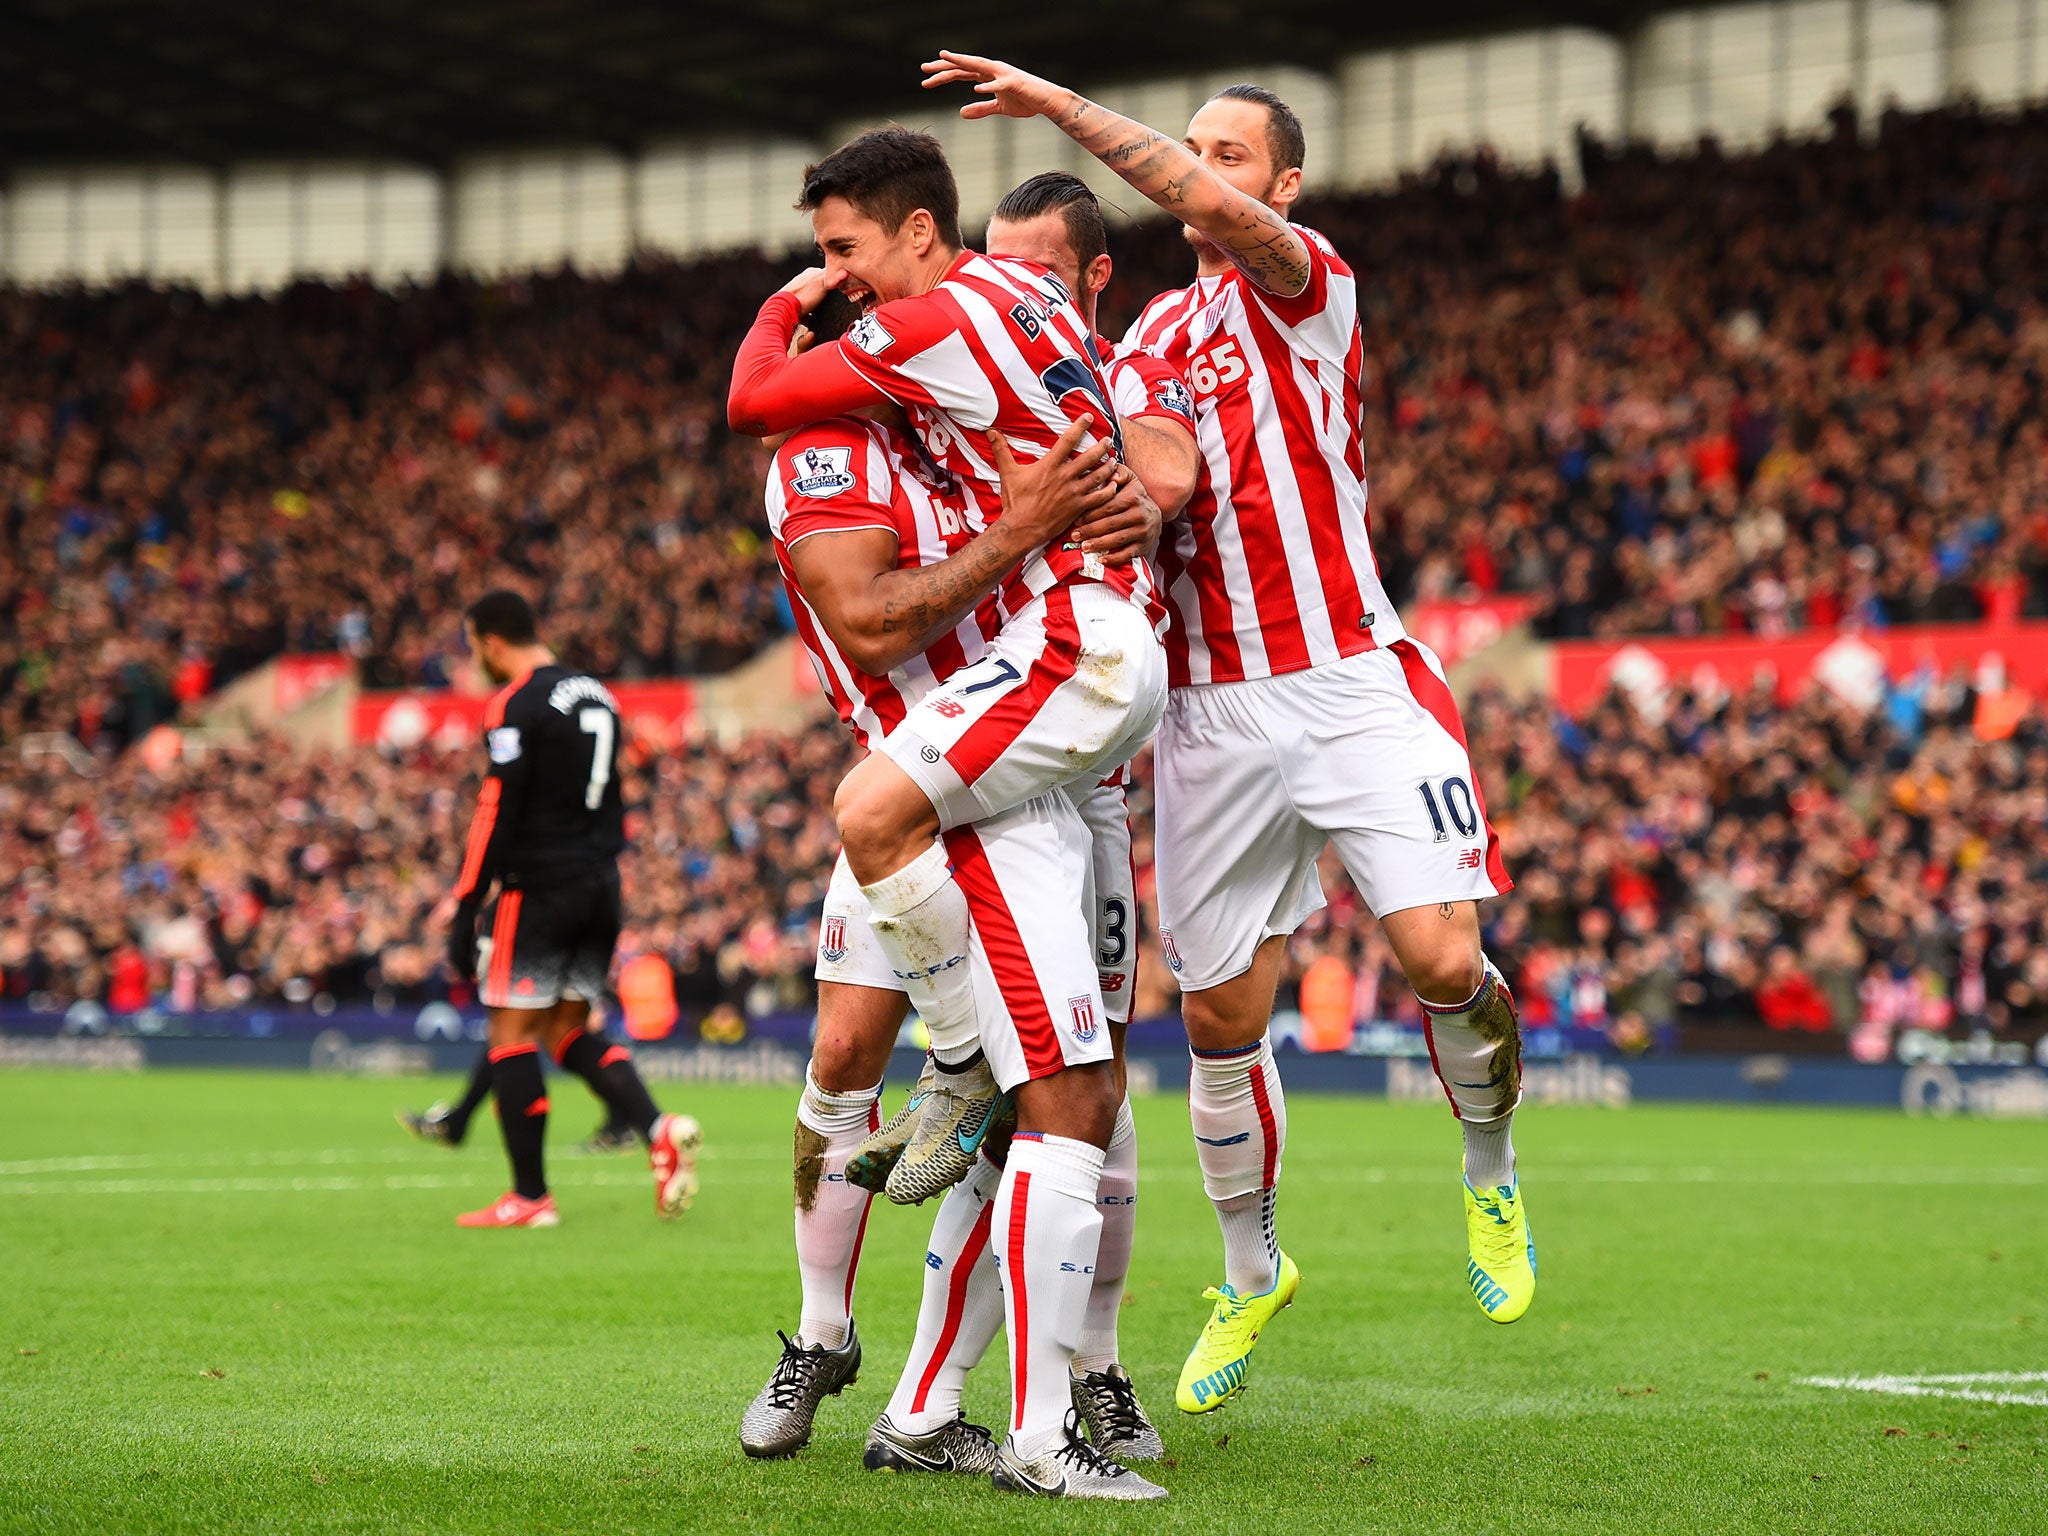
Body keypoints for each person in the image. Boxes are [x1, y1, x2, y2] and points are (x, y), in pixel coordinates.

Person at [923, 54, 1536, 1411]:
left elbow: (1188, 191)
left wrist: (1065, 109)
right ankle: (1254, 1271)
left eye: (1231, 155)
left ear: (1285, 183)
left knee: (1441, 955)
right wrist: (1119, 509)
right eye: (1197, 151)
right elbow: (1165, 464)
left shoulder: (1310, 284)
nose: (1205, 172)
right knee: (1216, 1015)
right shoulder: (1146, 338)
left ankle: (1491, 1176)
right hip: (1209, 708)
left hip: (1351, 674)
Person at [735, 270, 1180, 1499]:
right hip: (932, 781)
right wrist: (1027, 527)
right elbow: (873, 622)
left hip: (999, 776)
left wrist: (1123, 508)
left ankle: (946, 1405)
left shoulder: (953, 433)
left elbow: (1147, 466)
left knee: (1059, 1097)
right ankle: (826, 1334)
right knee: (850, 1059)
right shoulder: (831, 454)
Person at [435, 590, 701, 1229]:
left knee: (511, 1035)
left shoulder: (516, 703)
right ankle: (657, 1128)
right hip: (600, 885)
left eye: (474, 647)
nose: (478, 660)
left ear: (491, 640)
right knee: (566, 1031)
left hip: (539, 888)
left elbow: (494, 808)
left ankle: (530, 1196)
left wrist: (466, 903)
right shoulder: (597, 693)